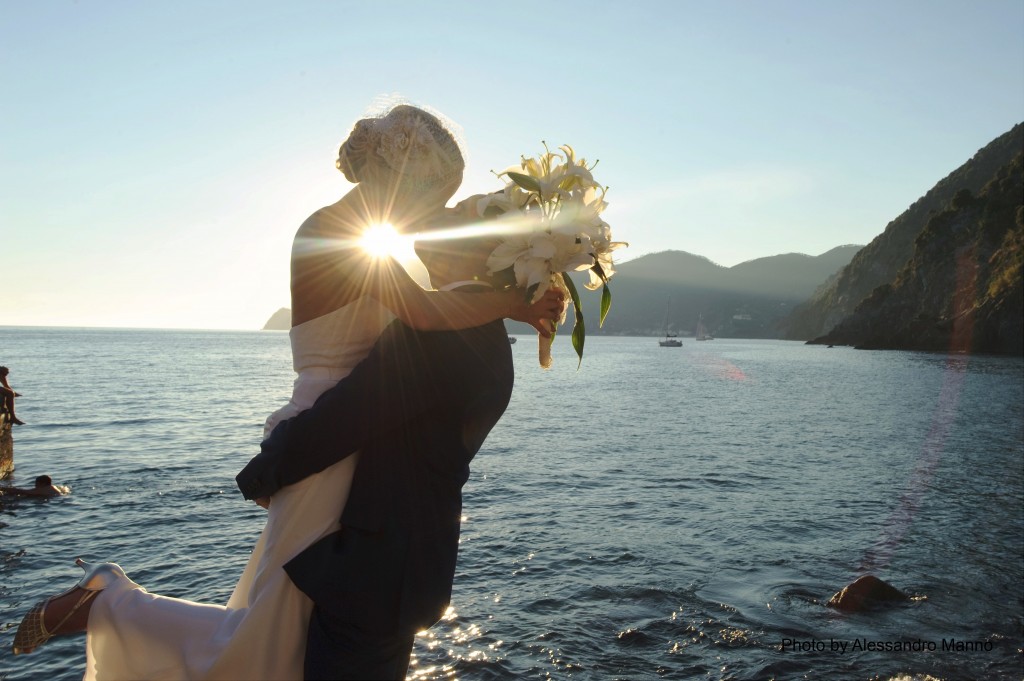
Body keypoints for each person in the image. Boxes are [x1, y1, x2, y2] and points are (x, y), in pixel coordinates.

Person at [11, 102, 563, 680]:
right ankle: (108, 603)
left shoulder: (371, 239)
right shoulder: (340, 232)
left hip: (345, 442)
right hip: (325, 434)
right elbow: (423, 315)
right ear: (402, 180)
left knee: (275, 631)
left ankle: (110, 605)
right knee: (262, 640)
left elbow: (423, 324)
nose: (439, 209)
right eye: (435, 194)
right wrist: (512, 304)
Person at [237, 211, 526, 678]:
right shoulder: (483, 330)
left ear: (484, 254)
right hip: (406, 565)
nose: (444, 213)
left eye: (461, 218)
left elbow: (348, 415)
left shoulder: (444, 335)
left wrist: (264, 471)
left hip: (376, 570)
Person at [0, 475, 68, 498]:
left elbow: (21, 491)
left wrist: (2, 488)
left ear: (43, 484)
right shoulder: (54, 487)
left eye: (37, 484)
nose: (35, 485)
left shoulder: (42, 490)